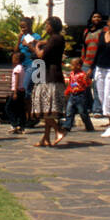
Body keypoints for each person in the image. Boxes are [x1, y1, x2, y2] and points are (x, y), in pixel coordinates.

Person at [32, 17, 68, 147]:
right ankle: (46, 138)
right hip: (53, 74)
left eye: (47, 25)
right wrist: (41, 42)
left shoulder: (54, 39)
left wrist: (35, 46)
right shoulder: (57, 38)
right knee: (48, 109)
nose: (45, 28)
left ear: (52, 26)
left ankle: (58, 130)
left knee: (45, 108)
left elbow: (41, 55)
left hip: (50, 76)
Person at [61, 57, 94, 133]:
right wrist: (67, 92)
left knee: (82, 112)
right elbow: (70, 84)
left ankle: (89, 126)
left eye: (73, 65)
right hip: (72, 95)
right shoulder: (72, 74)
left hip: (80, 95)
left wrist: (87, 80)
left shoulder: (82, 75)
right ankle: (67, 126)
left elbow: (88, 84)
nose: (71, 66)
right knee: (69, 111)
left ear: (78, 66)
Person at [81, 13, 103, 112]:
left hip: (98, 63)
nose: (96, 18)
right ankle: (88, 106)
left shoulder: (104, 31)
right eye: (94, 17)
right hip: (86, 62)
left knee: (97, 87)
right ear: (91, 19)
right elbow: (84, 48)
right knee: (84, 85)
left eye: (98, 17)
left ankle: (97, 109)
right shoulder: (86, 32)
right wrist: (82, 60)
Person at [6, 52, 27, 134]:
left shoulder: (17, 69)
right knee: (20, 109)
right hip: (21, 90)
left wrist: (15, 92)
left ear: (17, 60)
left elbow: (17, 81)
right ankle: (21, 126)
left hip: (17, 91)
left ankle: (14, 124)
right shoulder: (22, 67)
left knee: (8, 108)